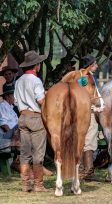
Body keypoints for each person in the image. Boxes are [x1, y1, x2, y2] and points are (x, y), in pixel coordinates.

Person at [14, 50, 48, 192]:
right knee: (38, 153)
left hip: (22, 117)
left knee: (25, 153)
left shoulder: (18, 81)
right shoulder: (35, 80)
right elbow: (40, 100)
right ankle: (38, 185)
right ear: (36, 65)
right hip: (35, 117)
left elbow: (15, 101)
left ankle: (25, 184)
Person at [79, 55, 101, 182]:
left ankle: (83, 170)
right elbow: (88, 94)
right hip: (89, 111)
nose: (97, 66)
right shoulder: (87, 77)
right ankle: (88, 172)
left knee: (84, 141)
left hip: (81, 112)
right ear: (90, 65)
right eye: (95, 64)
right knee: (90, 140)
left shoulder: (79, 76)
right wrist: (97, 106)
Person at [0, 85, 19, 151]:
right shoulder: (3, 106)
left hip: (13, 134)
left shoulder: (11, 107)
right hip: (6, 136)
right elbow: (4, 125)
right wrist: (14, 136)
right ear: (7, 96)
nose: (15, 97)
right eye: (13, 95)